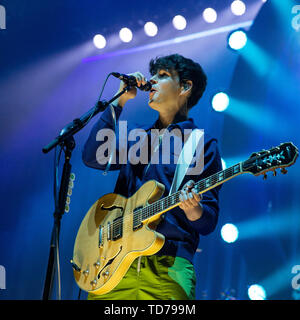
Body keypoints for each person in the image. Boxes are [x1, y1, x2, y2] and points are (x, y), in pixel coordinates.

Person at [82, 53, 222, 300]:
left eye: (163, 75)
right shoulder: (138, 138)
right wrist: (118, 102)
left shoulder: (201, 144)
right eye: (154, 74)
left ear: (186, 87)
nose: (151, 80)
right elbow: (92, 156)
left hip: (168, 268)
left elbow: (207, 221)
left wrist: (192, 209)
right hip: (113, 265)